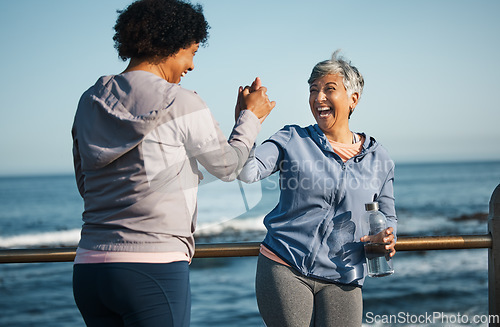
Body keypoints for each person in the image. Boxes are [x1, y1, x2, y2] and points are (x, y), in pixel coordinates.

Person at [71, 0, 275, 326]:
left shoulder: (89, 101)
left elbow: (86, 183)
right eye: (191, 52)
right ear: (171, 44)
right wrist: (249, 118)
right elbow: (228, 167)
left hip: (89, 268)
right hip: (152, 268)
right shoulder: (181, 101)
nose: (191, 66)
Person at [237, 50, 397, 327]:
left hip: (345, 275)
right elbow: (246, 171)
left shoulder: (379, 158)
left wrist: (386, 238)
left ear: (353, 99)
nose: (318, 97)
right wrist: (246, 120)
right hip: (285, 266)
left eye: (329, 89)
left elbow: (389, 217)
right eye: (313, 90)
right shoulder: (292, 139)